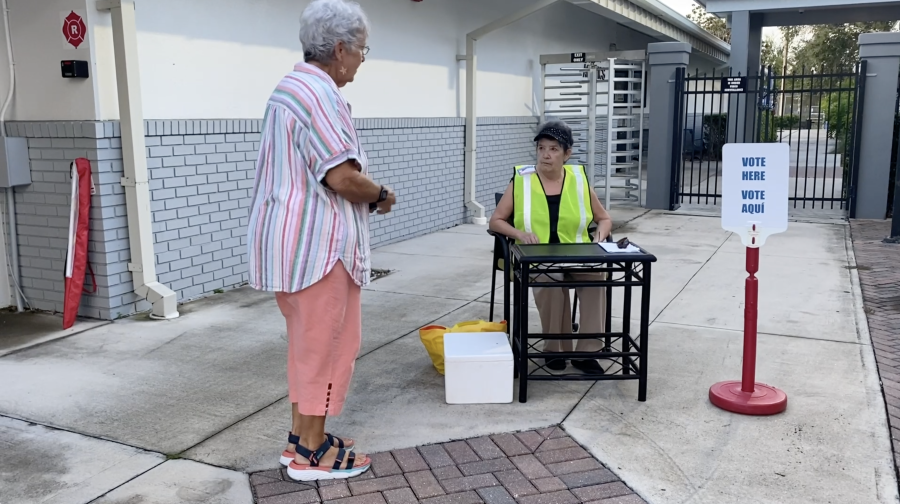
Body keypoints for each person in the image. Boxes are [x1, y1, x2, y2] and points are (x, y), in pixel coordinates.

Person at [246, 0, 394, 482]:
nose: (363, 59)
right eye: (362, 49)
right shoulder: (320, 93)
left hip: (290, 245)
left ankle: (301, 438)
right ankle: (312, 453)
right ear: (340, 48)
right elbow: (343, 178)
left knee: (306, 348)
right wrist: (382, 194)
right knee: (331, 346)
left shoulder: (289, 89)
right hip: (320, 248)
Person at [489, 120, 613, 374]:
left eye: (554, 149)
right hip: (536, 256)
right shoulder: (521, 180)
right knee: (550, 280)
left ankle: (587, 352)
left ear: (567, 154)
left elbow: (604, 218)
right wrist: (519, 234)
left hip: (576, 253)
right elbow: (496, 221)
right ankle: (555, 349)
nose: (546, 154)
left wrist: (599, 238)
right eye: (541, 148)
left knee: (596, 278)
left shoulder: (579, 181)